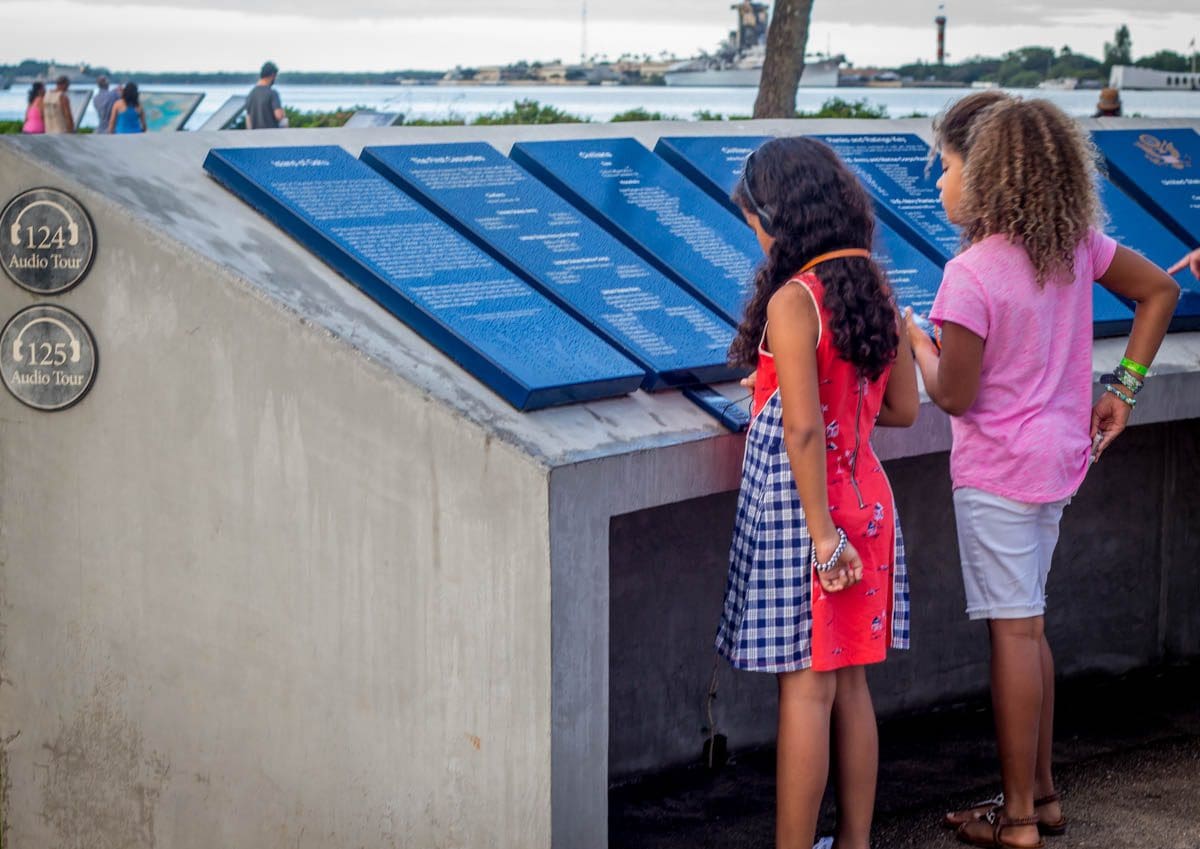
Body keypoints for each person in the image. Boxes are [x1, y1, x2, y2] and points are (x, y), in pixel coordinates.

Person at [906, 92, 1178, 849]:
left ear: (987, 174)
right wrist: (1121, 390)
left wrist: (913, 338)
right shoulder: (1077, 246)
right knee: (1031, 626)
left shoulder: (970, 274)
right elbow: (1161, 290)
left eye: (949, 166)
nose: (939, 183)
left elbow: (953, 393)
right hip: (1058, 464)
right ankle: (1045, 794)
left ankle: (1018, 817)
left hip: (996, 473)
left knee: (1013, 635)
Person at [716, 136, 919, 849]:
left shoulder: (795, 299)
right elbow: (900, 409)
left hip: (813, 514)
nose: (755, 233)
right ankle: (856, 841)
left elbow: (803, 431)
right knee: (853, 686)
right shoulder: (874, 285)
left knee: (805, 690)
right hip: (871, 500)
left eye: (754, 220)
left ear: (778, 215)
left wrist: (822, 536)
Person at [245, 61, 286, 129]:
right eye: (275, 76)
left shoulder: (251, 93)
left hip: (255, 136)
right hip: (271, 135)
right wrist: (283, 115)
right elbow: (278, 115)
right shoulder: (272, 93)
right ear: (272, 75)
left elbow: (248, 119)